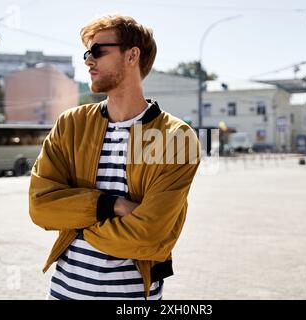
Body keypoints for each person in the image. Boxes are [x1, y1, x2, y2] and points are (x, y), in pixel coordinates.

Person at [29, 14, 201, 300]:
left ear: (132, 55)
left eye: (98, 51)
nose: (88, 60)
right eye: (86, 52)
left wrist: (78, 226)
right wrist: (114, 205)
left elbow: (150, 234)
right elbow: (40, 207)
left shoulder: (175, 136)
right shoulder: (71, 124)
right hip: (63, 292)